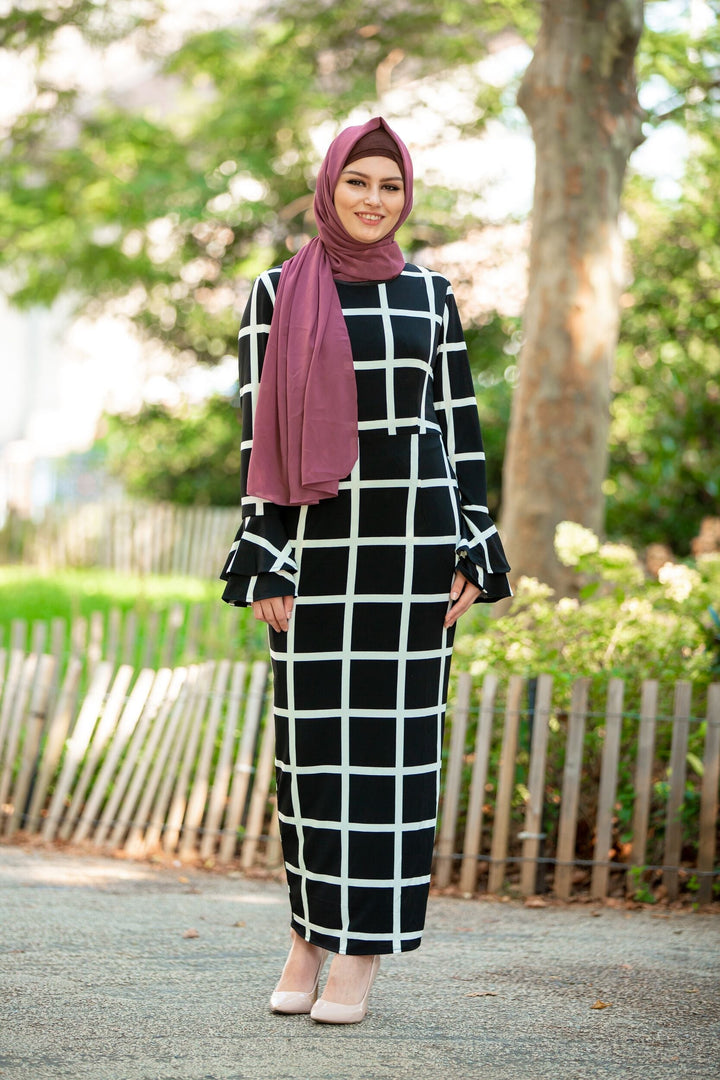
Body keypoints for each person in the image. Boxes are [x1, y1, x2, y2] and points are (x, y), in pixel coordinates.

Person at [221, 116, 511, 1025]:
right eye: (360, 183)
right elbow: (255, 429)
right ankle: (309, 933)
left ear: (406, 196)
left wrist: (474, 541)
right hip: (316, 541)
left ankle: (360, 954)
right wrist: (264, 550)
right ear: (330, 187)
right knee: (311, 754)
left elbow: (457, 428)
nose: (375, 201)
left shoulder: (431, 294)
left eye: (391, 186)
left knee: (392, 756)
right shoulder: (278, 291)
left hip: (413, 543)